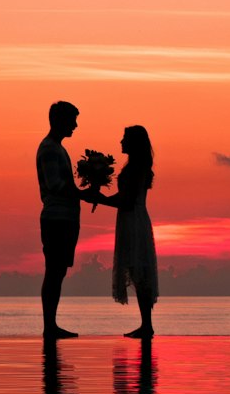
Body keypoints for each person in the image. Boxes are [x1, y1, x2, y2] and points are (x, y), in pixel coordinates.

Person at [90, 125, 158, 338]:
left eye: (124, 138)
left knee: (139, 271)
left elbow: (127, 201)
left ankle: (147, 325)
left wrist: (101, 199)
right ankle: (145, 324)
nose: (120, 141)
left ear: (133, 143)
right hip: (132, 219)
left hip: (133, 221)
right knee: (137, 271)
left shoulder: (136, 168)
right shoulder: (135, 167)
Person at [37, 101, 93, 339]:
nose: (75, 125)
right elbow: (54, 185)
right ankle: (50, 326)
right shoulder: (50, 149)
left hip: (65, 218)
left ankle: (52, 325)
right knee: (54, 271)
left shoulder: (58, 149)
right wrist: (82, 193)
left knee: (58, 272)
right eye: (72, 120)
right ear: (59, 120)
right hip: (57, 218)